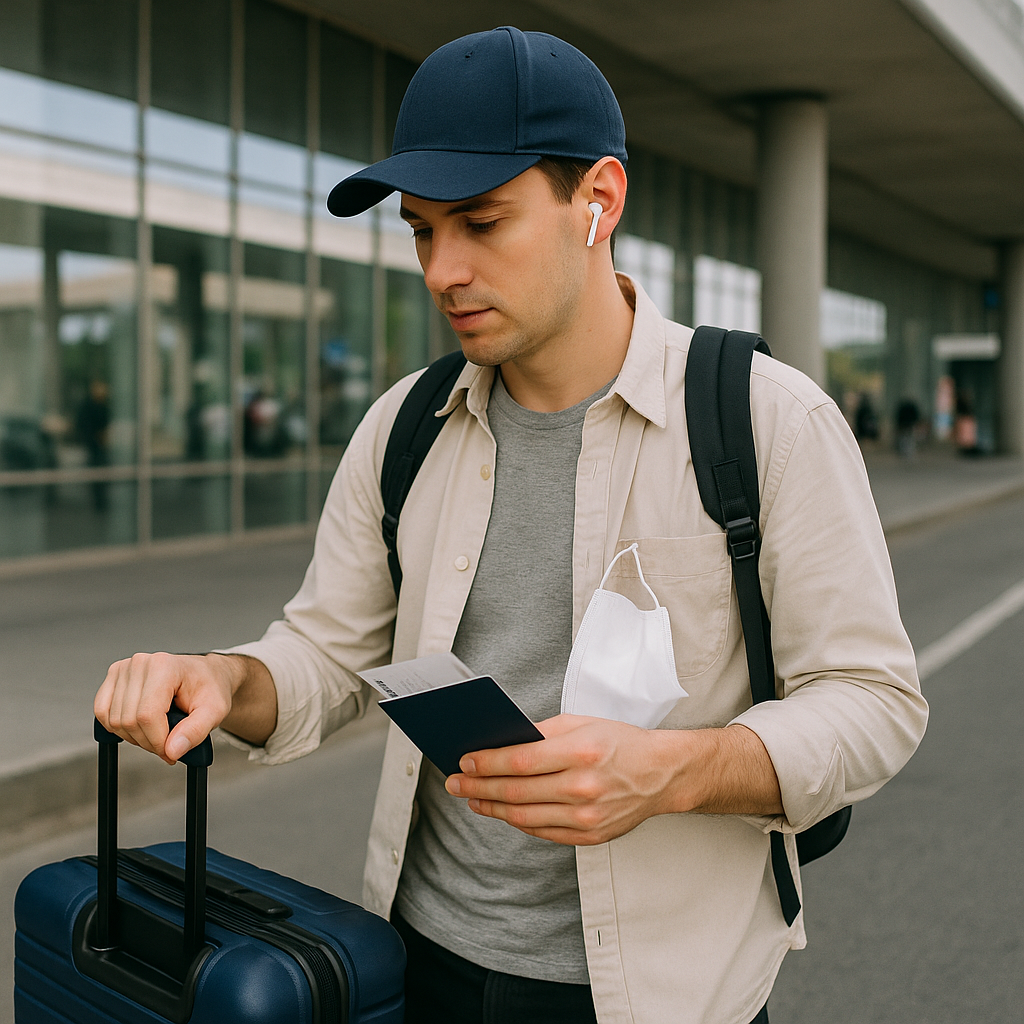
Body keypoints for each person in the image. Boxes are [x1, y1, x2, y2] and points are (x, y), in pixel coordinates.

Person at [94, 27, 927, 1024]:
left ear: (598, 201)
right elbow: (326, 650)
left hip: (662, 995)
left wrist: (671, 770)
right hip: (421, 966)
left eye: (482, 223)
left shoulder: (767, 421)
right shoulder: (406, 425)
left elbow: (874, 699)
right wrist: (224, 678)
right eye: (421, 231)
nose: (442, 269)